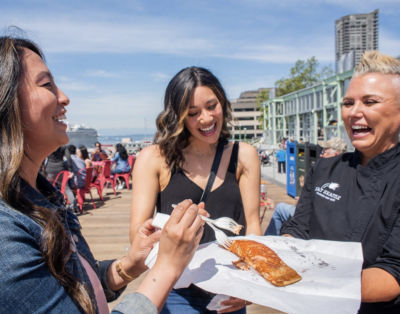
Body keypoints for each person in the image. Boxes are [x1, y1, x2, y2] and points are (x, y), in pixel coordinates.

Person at [0, 36, 204, 314]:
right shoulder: (5, 232)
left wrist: (130, 264)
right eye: (47, 85)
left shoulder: (42, 194)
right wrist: (168, 266)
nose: (64, 97)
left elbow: (76, 288)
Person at [130, 66, 261, 313]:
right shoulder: (153, 158)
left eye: (212, 106)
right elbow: (137, 234)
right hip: (176, 289)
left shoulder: (244, 155)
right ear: (177, 116)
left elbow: (253, 226)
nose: (206, 118)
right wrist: (176, 226)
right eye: (193, 113)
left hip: (230, 289)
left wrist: (251, 284)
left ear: (222, 102)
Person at [281, 51, 400, 313]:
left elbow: (393, 272)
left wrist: (308, 278)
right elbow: (298, 230)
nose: (354, 112)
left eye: (370, 102)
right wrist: (277, 259)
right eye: (348, 103)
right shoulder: (324, 168)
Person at [265, 137, 347, 236]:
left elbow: (302, 209)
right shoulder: (348, 172)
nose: (320, 155)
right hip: (327, 219)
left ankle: (268, 245)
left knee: (280, 208)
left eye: (324, 152)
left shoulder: (321, 171)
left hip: (315, 220)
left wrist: (302, 199)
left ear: (335, 154)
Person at [45, 145, 78, 213]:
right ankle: (73, 207)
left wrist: (42, 167)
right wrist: (70, 170)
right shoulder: (63, 146)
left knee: (49, 189)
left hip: (50, 169)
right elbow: (68, 158)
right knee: (66, 189)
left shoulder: (49, 145)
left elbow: (43, 157)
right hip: (61, 169)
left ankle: (50, 208)